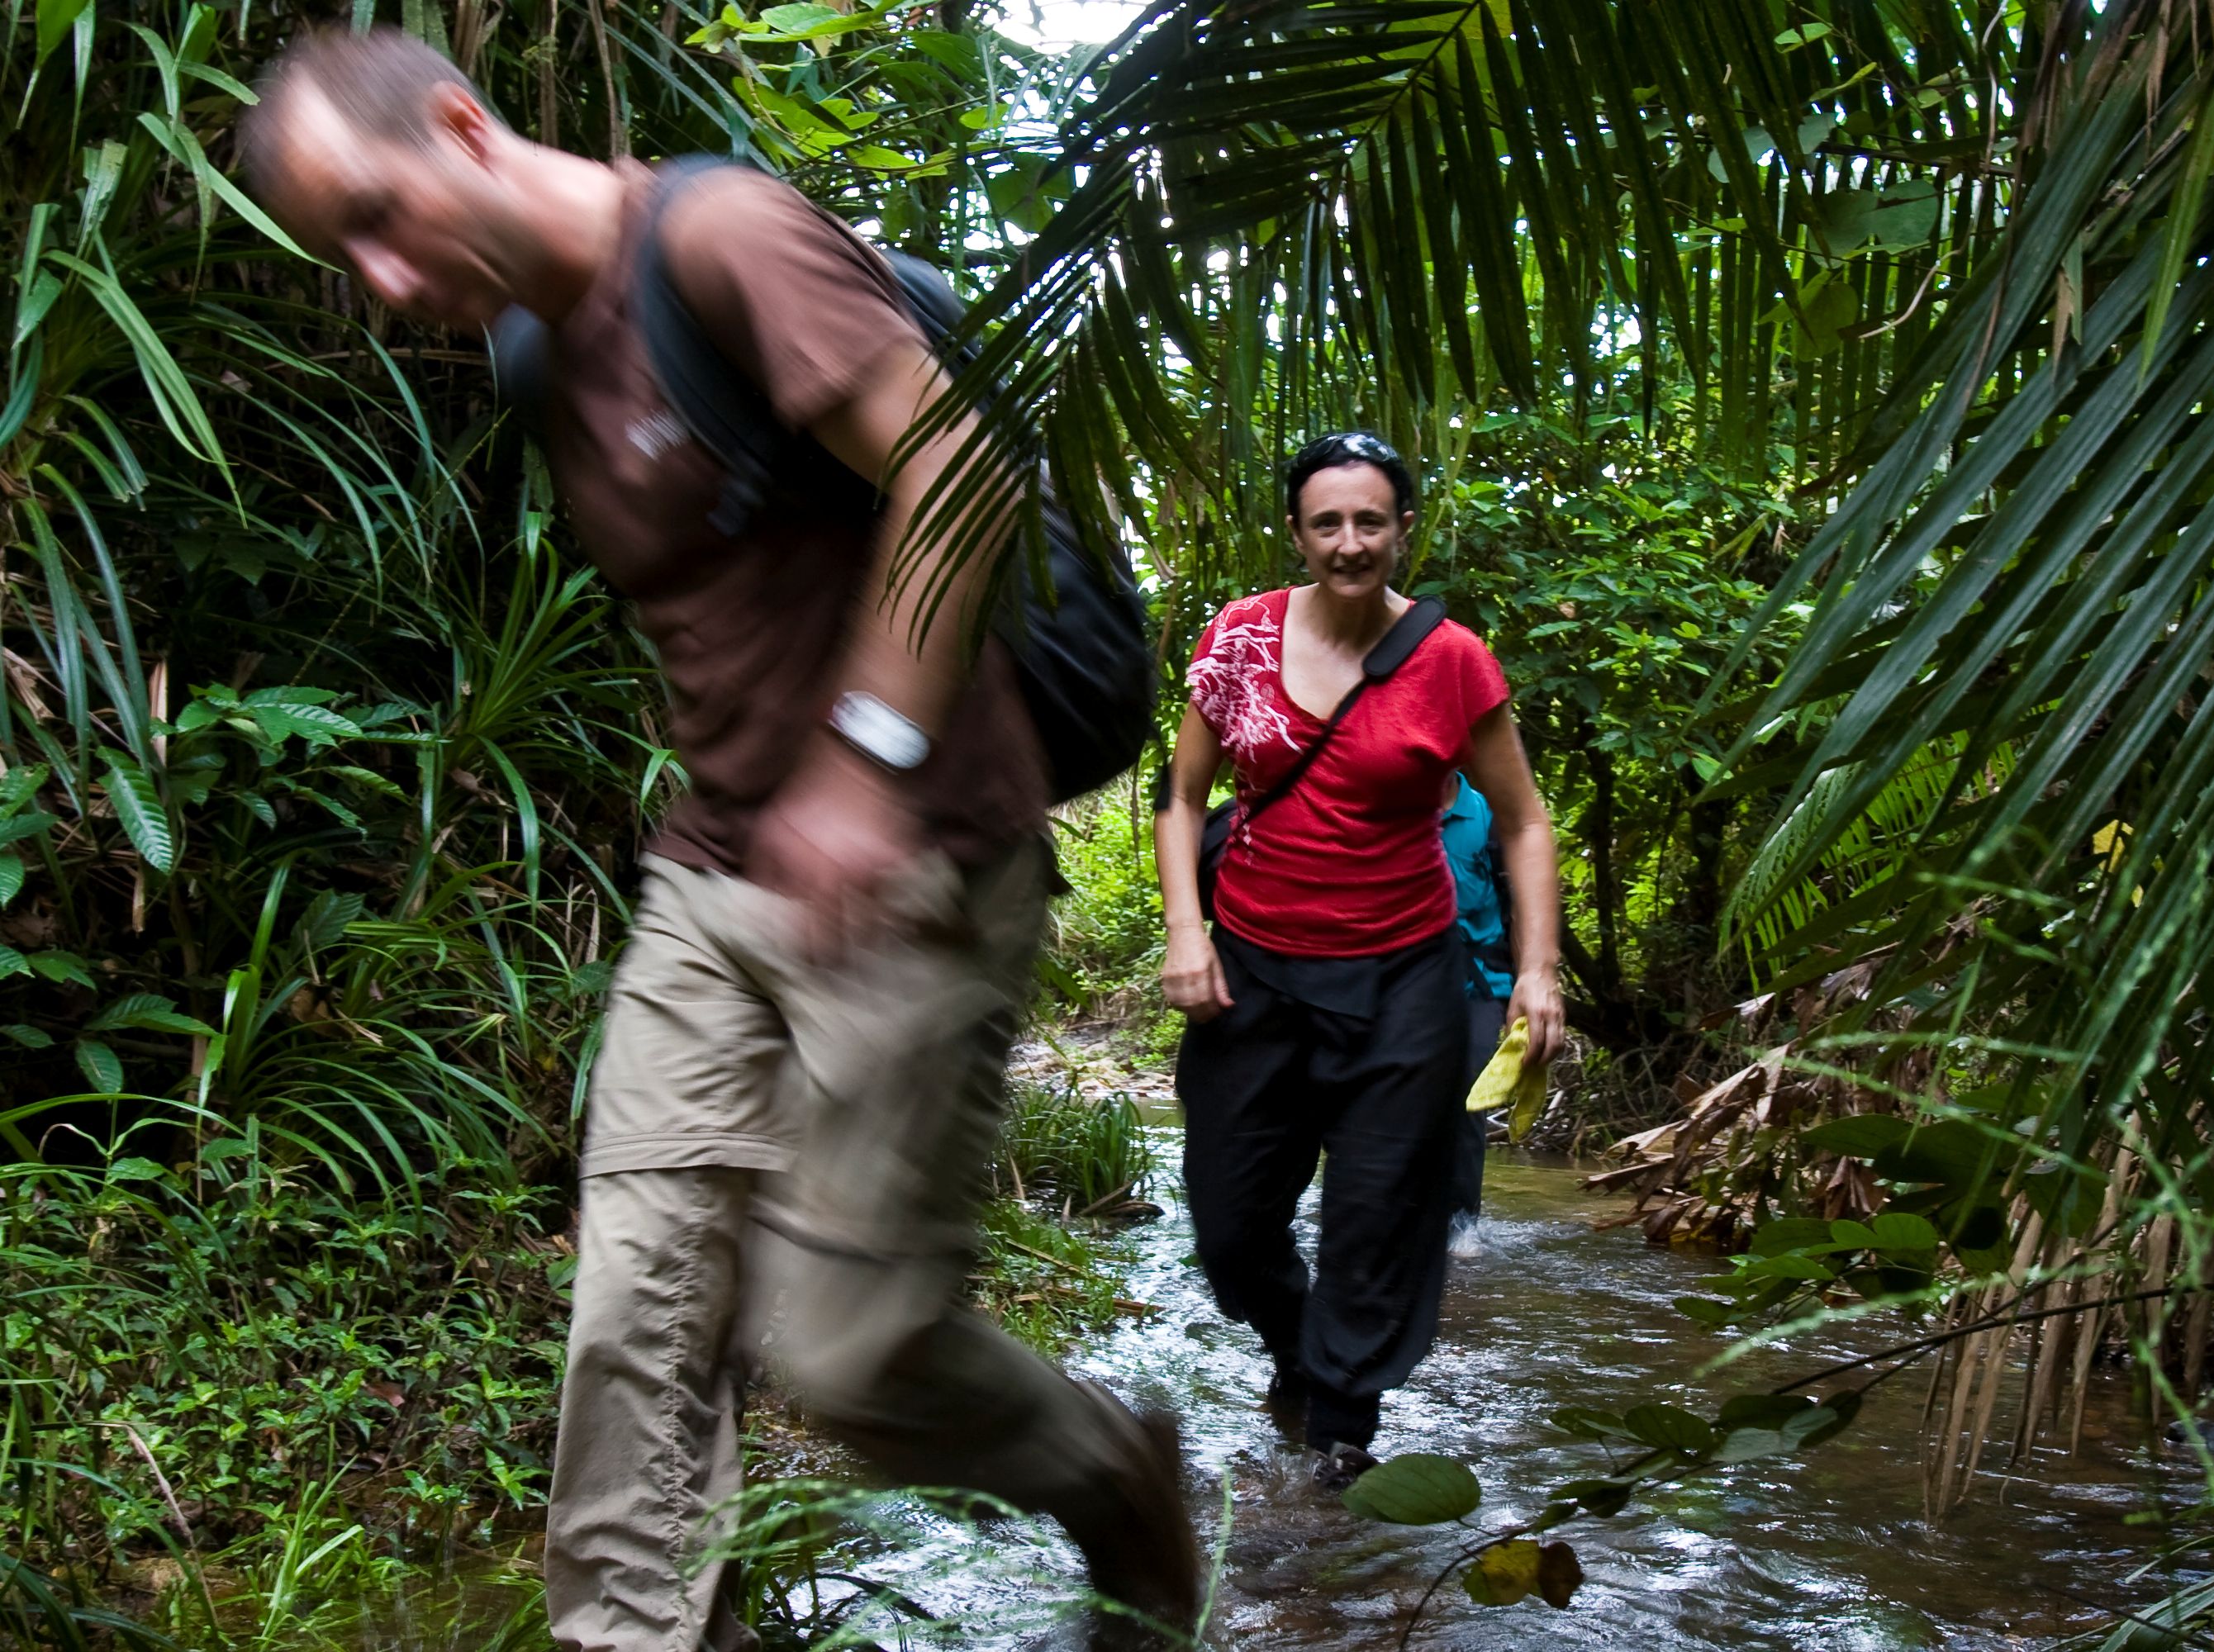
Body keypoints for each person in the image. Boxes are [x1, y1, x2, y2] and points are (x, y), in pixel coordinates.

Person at [236, 31, 1199, 1652]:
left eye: (381, 220)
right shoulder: (538, 349)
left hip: (915, 870)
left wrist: (864, 762)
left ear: (465, 127)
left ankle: (1114, 1476)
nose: (384, 284)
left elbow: (950, 467)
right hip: (709, 883)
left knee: (851, 1356)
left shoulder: (722, 239)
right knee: (634, 1316)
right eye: (348, 258)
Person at [1153, 432, 1564, 1484]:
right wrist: (1186, 933)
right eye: (1326, 522)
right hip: (1251, 969)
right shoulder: (1239, 637)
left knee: (1380, 1212)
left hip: (1401, 980)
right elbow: (1182, 797)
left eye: (1368, 521)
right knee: (1231, 1219)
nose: (1348, 542)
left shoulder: (1451, 660)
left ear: (1401, 529)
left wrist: (1536, 967)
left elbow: (1520, 821)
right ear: (1295, 532)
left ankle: (1340, 1432)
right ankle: (1299, 1348)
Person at [1438, 771, 1517, 1253]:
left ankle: (1462, 1226)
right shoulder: (1393, 805)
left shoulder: (1488, 816)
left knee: (1467, 1103)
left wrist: (1530, 987)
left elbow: (1521, 904)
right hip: (1401, 982)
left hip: (1481, 985)